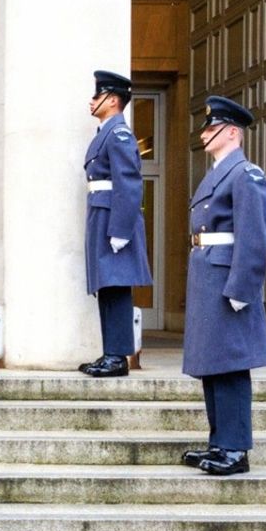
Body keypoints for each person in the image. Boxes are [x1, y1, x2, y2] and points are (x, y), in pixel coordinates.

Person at [180, 96, 266, 477]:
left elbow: (255, 236)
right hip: (209, 275)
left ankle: (236, 448)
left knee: (231, 366)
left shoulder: (246, 174)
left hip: (226, 278)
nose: (205, 133)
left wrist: (242, 288)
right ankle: (220, 441)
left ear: (232, 132)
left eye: (212, 127)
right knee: (213, 364)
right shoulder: (219, 172)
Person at [79, 70, 152, 377]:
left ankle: (118, 357)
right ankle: (110, 352)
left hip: (113, 219)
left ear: (111, 99)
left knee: (117, 288)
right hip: (102, 214)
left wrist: (121, 230)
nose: (91, 101)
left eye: (97, 96)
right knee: (107, 288)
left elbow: (129, 183)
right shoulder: (105, 133)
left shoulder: (119, 133)